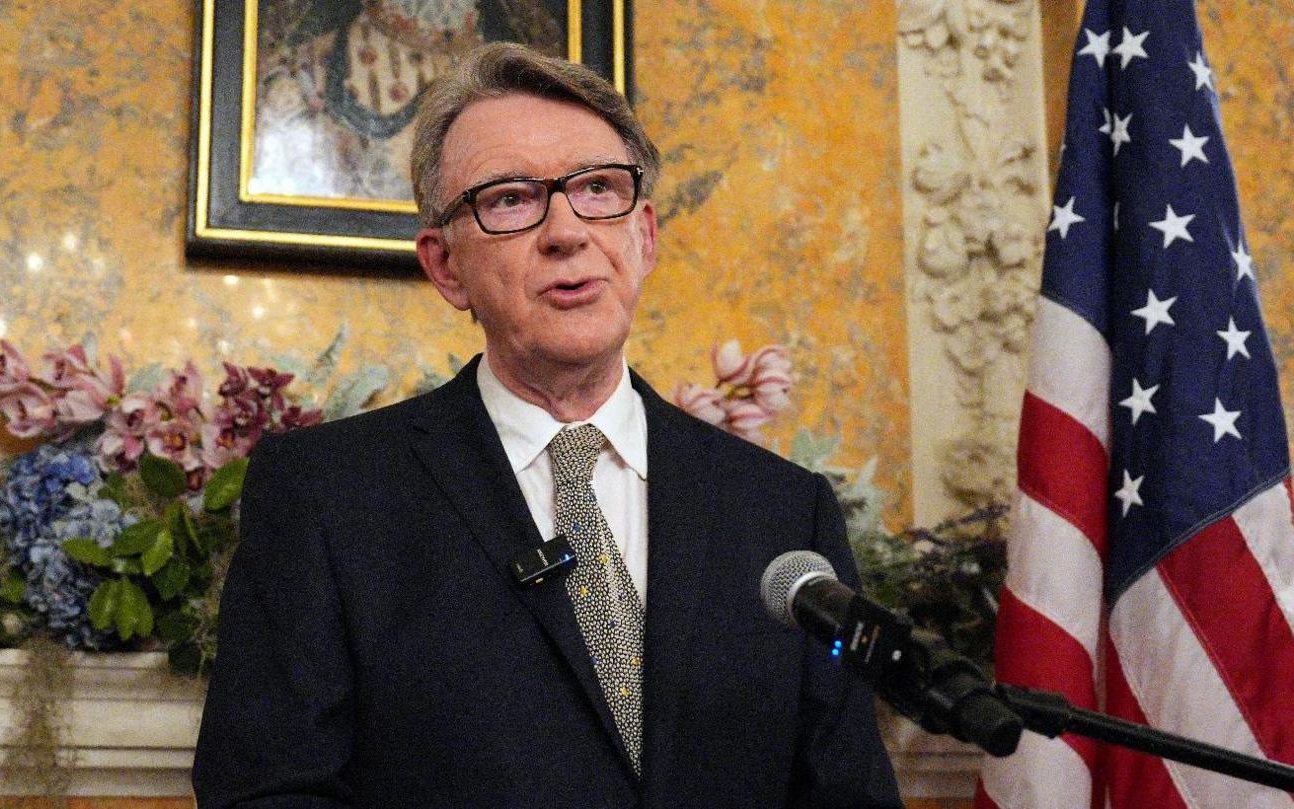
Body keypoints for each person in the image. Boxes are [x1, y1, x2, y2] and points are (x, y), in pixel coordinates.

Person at [193, 42, 902, 809]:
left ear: (645, 236)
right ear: (444, 266)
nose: (567, 231)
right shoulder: (328, 496)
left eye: (599, 188)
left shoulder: (783, 512)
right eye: (510, 199)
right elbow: (266, 791)